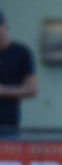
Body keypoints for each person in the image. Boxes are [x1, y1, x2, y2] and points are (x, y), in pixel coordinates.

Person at [0, 9, 39, 138]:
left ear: (5, 26)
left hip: (7, 124)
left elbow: (32, 89)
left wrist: (4, 91)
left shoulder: (20, 52)